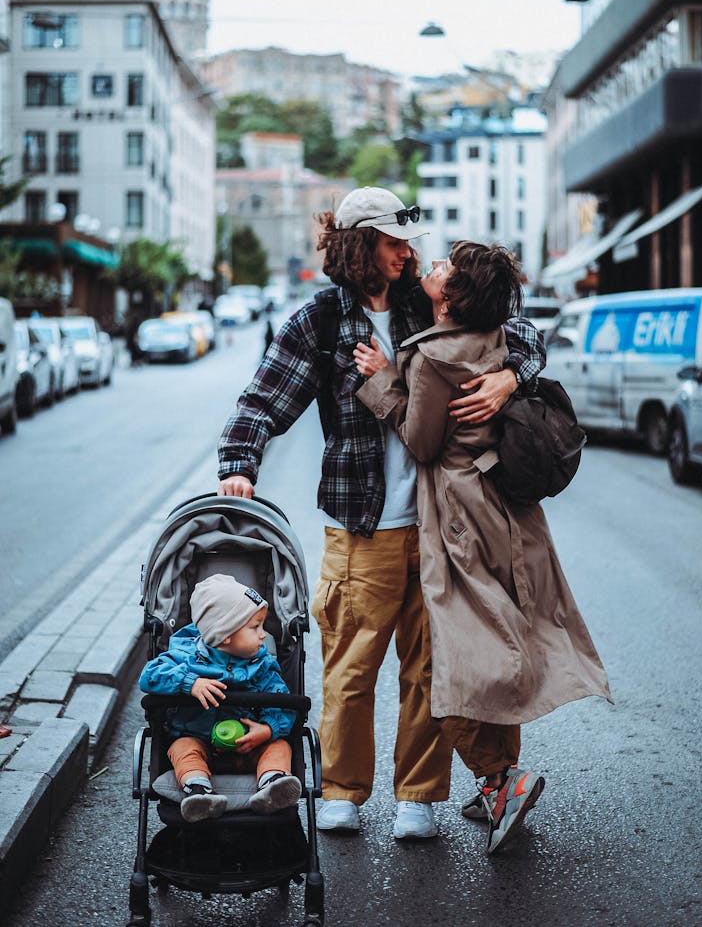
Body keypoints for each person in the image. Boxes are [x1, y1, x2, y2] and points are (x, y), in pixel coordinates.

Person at [217, 186, 546, 840]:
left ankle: (417, 796)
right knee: (349, 665)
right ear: (359, 244)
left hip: (435, 524)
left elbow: (519, 328)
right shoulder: (318, 320)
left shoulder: (419, 302)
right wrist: (238, 464)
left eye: (407, 241)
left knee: (428, 667)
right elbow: (261, 400)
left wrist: (515, 373)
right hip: (358, 527)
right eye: (394, 241)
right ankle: (341, 788)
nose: (407, 251)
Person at [353, 242, 612, 855]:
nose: (432, 266)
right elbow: (527, 341)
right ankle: (495, 781)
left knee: (451, 656)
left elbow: (420, 443)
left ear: (455, 295)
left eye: (444, 266)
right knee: (497, 637)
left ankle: (500, 780)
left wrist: (382, 379)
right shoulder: (495, 335)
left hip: (460, 517)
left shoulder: (435, 356)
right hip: (507, 512)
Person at [139, 573, 302, 822]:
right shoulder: (185, 657)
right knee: (182, 747)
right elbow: (150, 676)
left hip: (249, 746)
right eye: (255, 627)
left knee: (279, 745)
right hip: (198, 742)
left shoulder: (262, 665)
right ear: (226, 634)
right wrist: (188, 683)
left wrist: (267, 730)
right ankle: (199, 790)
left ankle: (272, 785)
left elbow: (281, 701)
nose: (264, 635)